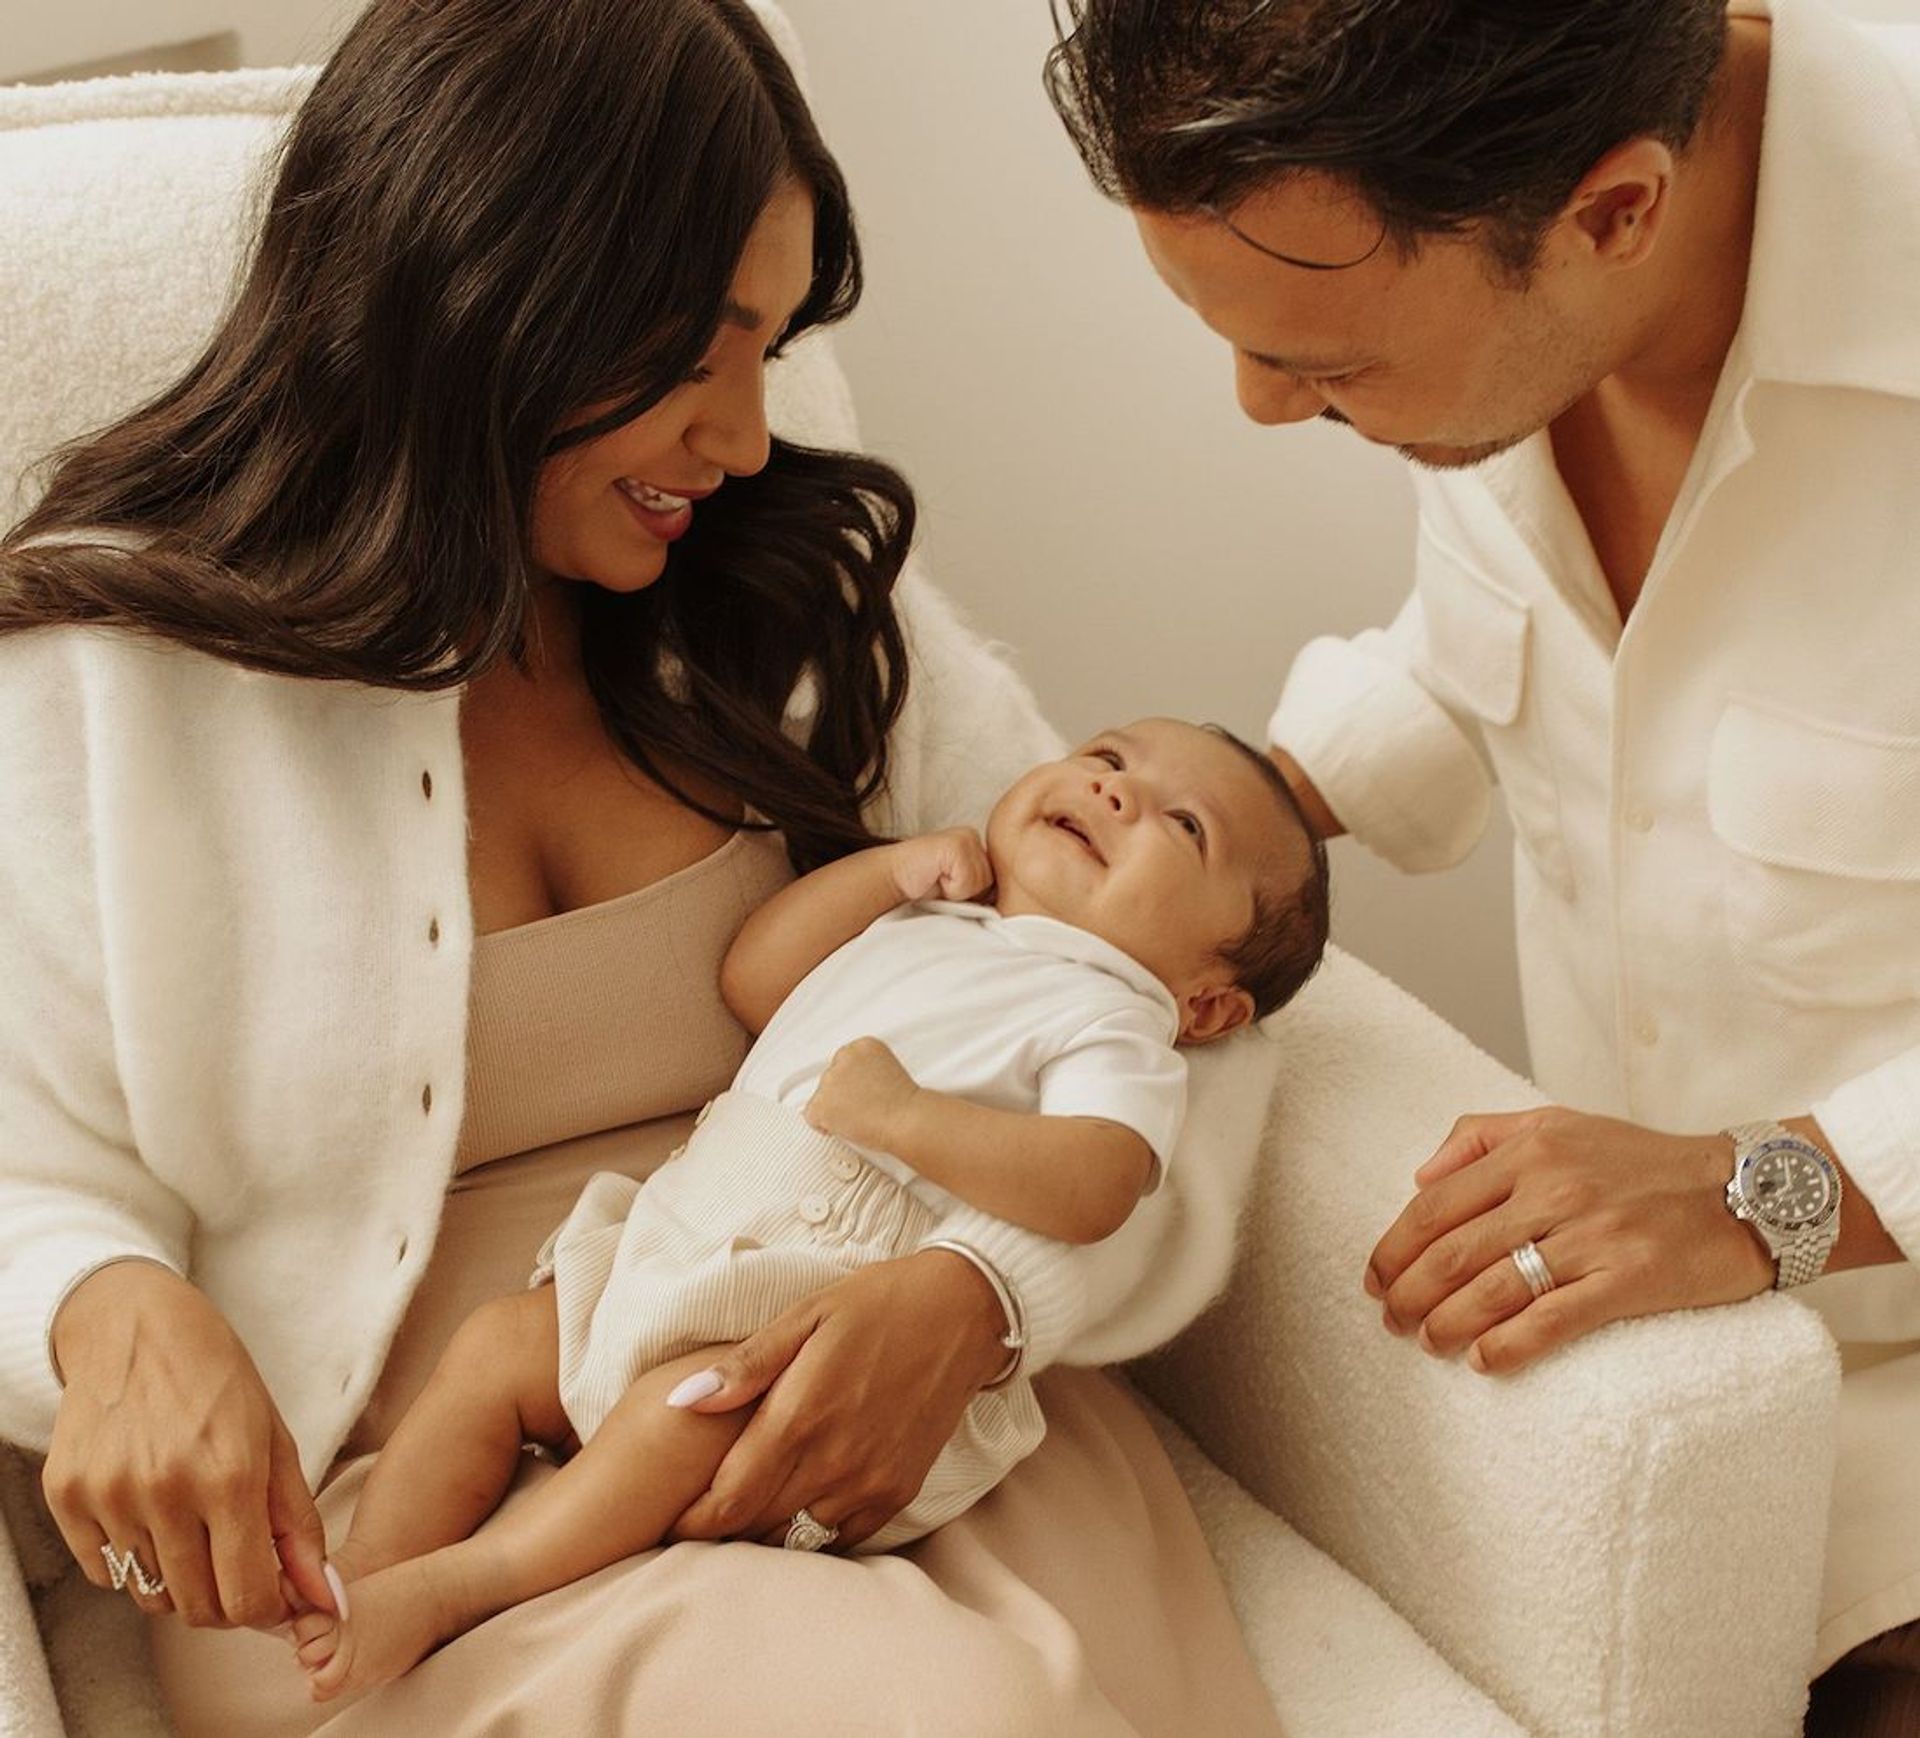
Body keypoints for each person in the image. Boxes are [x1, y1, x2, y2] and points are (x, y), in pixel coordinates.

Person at [0, 2, 1291, 1732]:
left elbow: (1174, 1001)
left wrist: (987, 1298)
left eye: (772, 351)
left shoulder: (790, 609)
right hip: (423, 1510)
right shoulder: (107, 687)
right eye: (699, 352)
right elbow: (17, 1149)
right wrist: (102, 1304)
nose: (746, 437)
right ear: (492, 288)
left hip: (885, 1416)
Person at [1046, 0, 1920, 1728]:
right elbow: (1502, 652)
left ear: (1615, 211)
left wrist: (1761, 1191)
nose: (1261, 405)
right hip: (1677, 1439)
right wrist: (1215, 820)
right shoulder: (1505, 263)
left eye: (1330, 364)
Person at [286, 717, 1328, 1699]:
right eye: (1108, 756)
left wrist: (908, 1119)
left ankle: (467, 1586)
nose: (1115, 792)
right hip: (691, 1231)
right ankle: (361, 1577)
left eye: (1183, 825)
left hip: (823, 1308)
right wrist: (887, 874)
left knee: (675, 1420)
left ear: (1208, 1004)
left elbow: (1097, 1183)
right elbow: (757, 978)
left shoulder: (1114, 1020)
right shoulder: (936, 919)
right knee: (493, 1350)